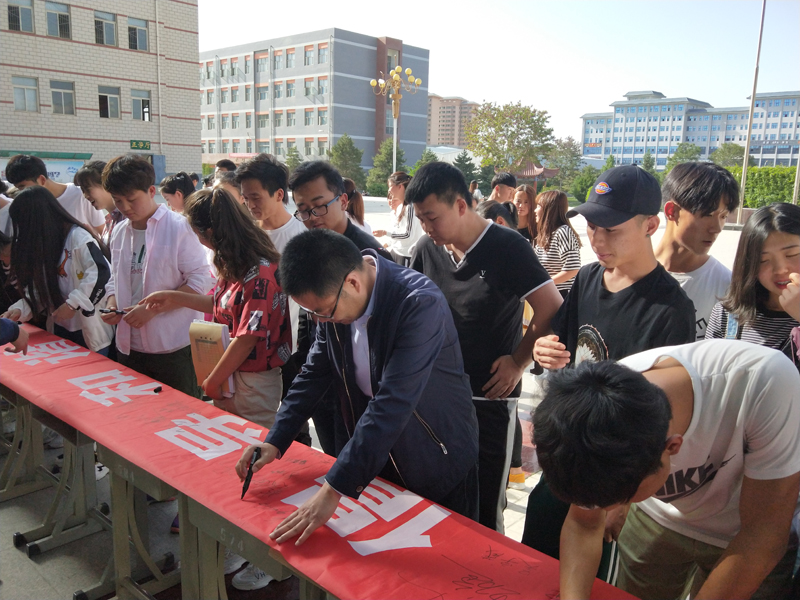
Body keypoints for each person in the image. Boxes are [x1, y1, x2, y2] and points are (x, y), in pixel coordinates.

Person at [235, 229, 480, 556]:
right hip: (380, 457)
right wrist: (275, 440)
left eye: (324, 311)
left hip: (436, 456)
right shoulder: (335, 303)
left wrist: (334, 487)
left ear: (353, 282)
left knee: (445, 561)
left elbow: (392, 403)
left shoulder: (418, 303)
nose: (322, 321)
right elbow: (313, 375)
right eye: (313, 314)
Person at [533, 340, 800, 600]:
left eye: (621, 500)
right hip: (659, 523)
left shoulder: (765, 382)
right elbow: (583, 523)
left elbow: (764, 533)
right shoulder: (593, 412)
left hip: (744, 533)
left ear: (673, 447)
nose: (604, 510)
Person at [527, 165, 695, 578]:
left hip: (612, 470)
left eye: (611, 229)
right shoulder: (587, 278)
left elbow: (663, 411)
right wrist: (542, 350)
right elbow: (562, 348)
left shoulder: (670, 308)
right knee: (533, 563)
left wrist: (625, 501)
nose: (597, 240)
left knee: (587, 575)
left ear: (650, 225)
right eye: (591, 227)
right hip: (566, 452)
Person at [408, 161, 563, 532]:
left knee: (483, 506)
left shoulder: (507, 247)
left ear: (461, 205)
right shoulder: (427, 249)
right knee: (438, 500)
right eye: (421, 219)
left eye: (432, 217)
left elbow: (551, 306)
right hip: (437, 398)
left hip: (488, 398)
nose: (427, 228)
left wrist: (518, 362)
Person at [141, 187, 290, 425]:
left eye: (196, 234)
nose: (198, 241)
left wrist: (213, 381)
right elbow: (225, 306)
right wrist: (173, 298)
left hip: (251, 380)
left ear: (209, 232)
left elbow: (247, 337)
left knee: (249, 440)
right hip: (231, 371)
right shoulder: (236, 261)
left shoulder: (259, 272)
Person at [289, 161, 390, 456]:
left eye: (319, 206)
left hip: (358, 388)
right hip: (322, 374)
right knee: (330, 456)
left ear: (343, 200)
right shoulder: (309, 249)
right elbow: (309, 314)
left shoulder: (370, 257)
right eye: (303, 210)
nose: (312, 217)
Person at [100, 154, 214, 396]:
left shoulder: (179, 227)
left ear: (151, 191)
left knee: (180, 412)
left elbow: (201, 279)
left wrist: (152, 310)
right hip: (129, 346)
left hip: (173, 346)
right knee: (137, 412)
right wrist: (112, 305)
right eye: (118, 201)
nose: (125, 208)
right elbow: (115, 278)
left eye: (132, 199)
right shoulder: (119, 232)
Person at [2, 186, 113, 355]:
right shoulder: (43, 243)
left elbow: (101, 273)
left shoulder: (77, 237)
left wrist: (72, 304)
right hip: (60, 327)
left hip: (87, 329)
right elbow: (41, 288)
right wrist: (21, 309)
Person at [705, 202, 800, 368]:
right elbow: (707, 375)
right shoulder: (727, 316)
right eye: (763, 260)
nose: (780, 269)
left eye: (792, 254)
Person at [655, 162, 740, 340]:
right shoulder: (632, 274)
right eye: (708, 214)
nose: (717, 228)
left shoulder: (727, 288)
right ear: (672, 211)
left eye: (723, 216)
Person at [4, 154, 105, 235]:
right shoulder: (30, 205)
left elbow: (102, 232)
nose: (21, 192)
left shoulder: (80, 195)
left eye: (22, 187)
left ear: (42, 180)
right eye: (18, 188)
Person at [533, 190, 582, 298]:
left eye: (539, 206)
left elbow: (572, 269)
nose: (535, 210)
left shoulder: (563, 232)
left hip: (561, 295)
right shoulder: (545, 235)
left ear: (549, 209)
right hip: (548, 294)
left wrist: (544, 284)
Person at [372, 172, 424, 266]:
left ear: (400, 186)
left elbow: (408, 235)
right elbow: (398, 231)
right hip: (396, 252)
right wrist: (388, 243)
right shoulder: (401, 207)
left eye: (390, 186)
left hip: (405, 255)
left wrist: (385, 233)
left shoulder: (410, 206)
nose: (389, 190)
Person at [74, 161, 125, 246]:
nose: (85, 196)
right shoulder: (110, 220)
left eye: (87, 189)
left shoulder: (127, 217)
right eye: (82, 190)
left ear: (105, 183)